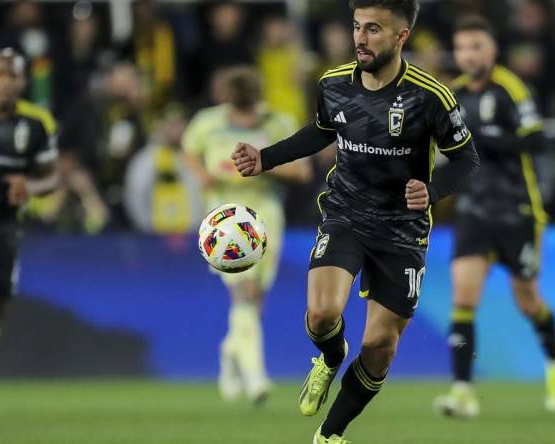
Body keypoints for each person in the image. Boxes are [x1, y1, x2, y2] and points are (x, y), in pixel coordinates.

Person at [231, 1, 479, 441]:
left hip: (402, 231)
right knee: (323, 313)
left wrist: (433, 190)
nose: (360, 39)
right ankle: (329, 358)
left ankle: (330, 434)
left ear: (401, 37)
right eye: (356, 27)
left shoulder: (430, 96)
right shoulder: (333, 83)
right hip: (345, 214)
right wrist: (265, 157)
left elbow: (466, 159)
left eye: (373, 30)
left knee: (380, 349)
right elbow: (322, 129)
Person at [432, 16, 555, 418]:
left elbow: (537, 139)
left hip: (517, 209)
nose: (468, 55)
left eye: (476, 46)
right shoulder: (450, 95)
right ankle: (462, 391)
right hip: (473, 211)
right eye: (461, 48)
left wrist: (484, 139)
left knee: (526, 300)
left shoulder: (511, 88)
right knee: (463, 299)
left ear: (492, 51)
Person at [182, 66, 312, 403]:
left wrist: (264, 164)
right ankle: (256, 377)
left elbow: (301, 171)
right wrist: (203, 176)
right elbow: (189, 151)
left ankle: (231, 354)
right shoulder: (207, 123)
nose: (245, 115)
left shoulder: (276, 123)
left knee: (255, 299)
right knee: (244, 290)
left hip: (265, 212)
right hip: (222, 218)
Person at [0, 48, 59, 369]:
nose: (5, 82)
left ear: (23, 81)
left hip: (3, 225)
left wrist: (29, 187)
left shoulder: (36, 124)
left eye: (12, 76)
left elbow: (52, 178)